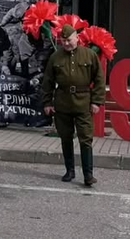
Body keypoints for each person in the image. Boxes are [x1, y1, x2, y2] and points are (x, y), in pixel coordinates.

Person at [41, 24, 105, 186]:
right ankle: (69, 171)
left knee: (86, 139)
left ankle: (88, 175)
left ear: (77, 38)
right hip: (63, 103)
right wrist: (47, 102)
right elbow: (47, 81)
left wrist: (96, 101)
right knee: (66, 138)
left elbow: (99, 79)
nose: (66, 43)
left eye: (69, 40)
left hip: (83, 103)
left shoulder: (89, 55)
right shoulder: (56, 57)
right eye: (63, 41)